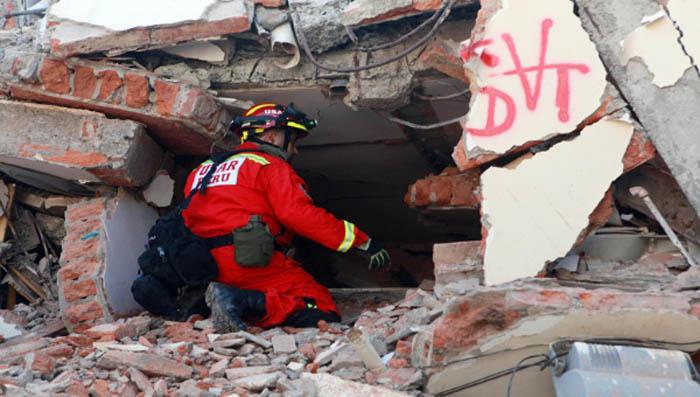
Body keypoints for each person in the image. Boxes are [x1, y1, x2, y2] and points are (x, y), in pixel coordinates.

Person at [180, 102, 391, 332]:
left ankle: (204, 306)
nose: (295, 150)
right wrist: (361, 241)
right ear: (271, 137)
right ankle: (238, 300)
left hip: (200, 265)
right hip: (249, 264)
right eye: (292, 141)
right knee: (321, 308)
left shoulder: (200, 171)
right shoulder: (270, 166)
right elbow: (298, 214)